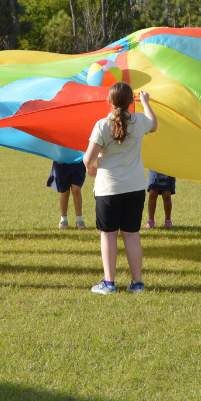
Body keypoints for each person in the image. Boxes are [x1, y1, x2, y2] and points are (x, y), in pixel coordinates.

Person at [83, 82, 157, 294]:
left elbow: (88, 158)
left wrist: (92, 167)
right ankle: (137, 283)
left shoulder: (102, 125)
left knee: (108, 235)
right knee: (132, 235)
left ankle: (109, 283)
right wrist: (145, 103)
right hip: (135, 188)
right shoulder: (140, 120)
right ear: (130, 101)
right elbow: (154, 124)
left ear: (109, 101)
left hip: (109, 190)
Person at [47, 160, 87, 230]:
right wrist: (57, 156)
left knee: (76, 189)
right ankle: (64, 220)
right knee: (65, 191)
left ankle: (79, 220)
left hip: (77, 162)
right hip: (62, 162)